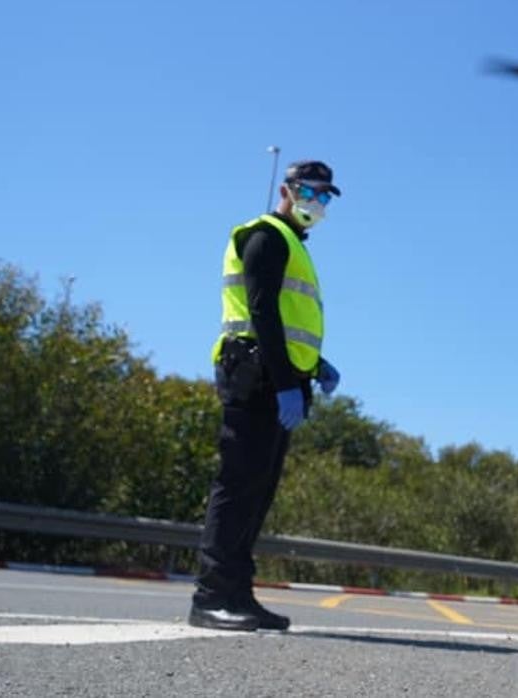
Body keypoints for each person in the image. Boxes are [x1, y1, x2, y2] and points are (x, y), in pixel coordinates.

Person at [189, 160, 343, 632]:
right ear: (286, 189)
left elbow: (288, 321)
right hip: (256, 379)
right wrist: (282, 384)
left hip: (279, 381)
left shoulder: (294, 244)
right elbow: (262, 313)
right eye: (308, 191)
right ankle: (211, 596)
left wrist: (315, 367)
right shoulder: (265, 237)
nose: (315, 202)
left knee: (258, 491)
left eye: (324, 195)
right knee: (237, 488)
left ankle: (238, 593)